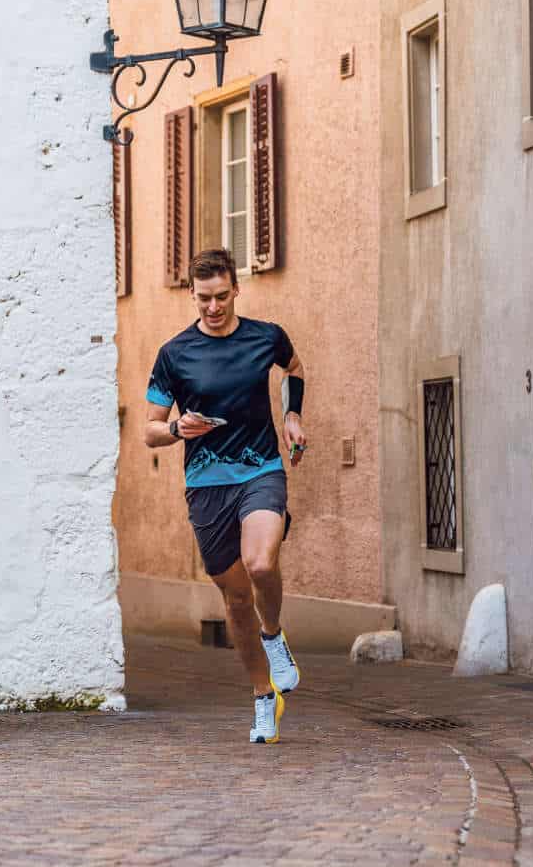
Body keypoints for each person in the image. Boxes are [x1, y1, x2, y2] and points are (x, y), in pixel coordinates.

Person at [143, 248, 306, 744]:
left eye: (220, 296)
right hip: (207, 485)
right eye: (203, 299)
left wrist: (293, 416)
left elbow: (293, 369)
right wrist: (177, 427)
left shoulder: (265, 337)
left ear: (236, 289)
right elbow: (150, 431)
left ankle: (274, 636)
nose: (212, 307)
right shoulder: (175, 354)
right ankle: (263, 697)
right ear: (191, 296)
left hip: (262, 468)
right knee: (235, 599)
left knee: (260, 565)